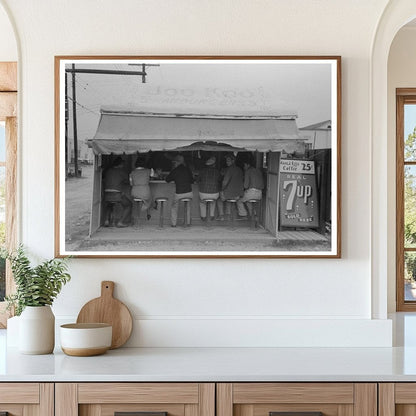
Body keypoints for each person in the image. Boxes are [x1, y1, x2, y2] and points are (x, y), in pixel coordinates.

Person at [103, 157, 132, 227]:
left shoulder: (108, 171)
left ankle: (106, 220)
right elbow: (128, 181)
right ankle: (120, 222)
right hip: (117, 194)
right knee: (129, 205)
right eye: (122, 164)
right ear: (120, 164)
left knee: (109, 205)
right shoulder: (121, 171)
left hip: (106, 194)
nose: (123, 165)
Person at [165, 155, 194, 227]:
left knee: (174, 207)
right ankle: (187, 223)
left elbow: (167, 180)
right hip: (189, 192)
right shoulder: (188, 169)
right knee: (188, 207)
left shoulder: (175, 171)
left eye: (174, 162)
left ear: (177, 162)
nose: (174, 164)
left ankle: (174, 224)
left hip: (179, 193)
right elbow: (192, 181)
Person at [217, 154, 244, 220]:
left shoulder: (229, 169)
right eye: (226, 161)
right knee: (228, 200)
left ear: (233, 161)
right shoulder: (240, 169)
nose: (227, 162)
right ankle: (228, 215)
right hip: (238, 194)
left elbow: (224, 182)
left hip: (230, 194)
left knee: (219, 200)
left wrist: (222, 190)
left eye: (228, 161)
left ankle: (221, 216)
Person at [129, 156, 152, 222]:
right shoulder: (148, 171)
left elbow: (131, 184)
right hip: (145, 191)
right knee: (150, 197)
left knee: (145, 197)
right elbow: (155, 175)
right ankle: (145, 208)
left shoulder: (132, 172)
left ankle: (143, 207)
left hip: (134, 193)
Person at [197, 156, 221, 221]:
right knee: (213, 202)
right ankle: (212, 215)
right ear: (214, 164)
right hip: (215, 194)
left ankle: (203, 217)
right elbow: (220, 181)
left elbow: (197, 180)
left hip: (203, 193)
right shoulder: (217, 172)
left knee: (202, 202)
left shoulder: (202, 171)